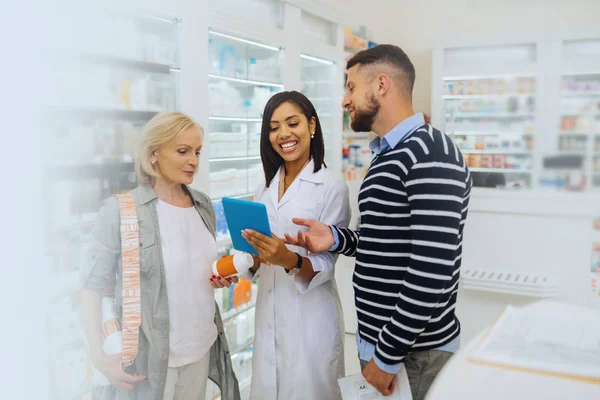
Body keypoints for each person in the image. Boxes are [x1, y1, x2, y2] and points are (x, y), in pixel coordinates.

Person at [285, 45, 472, 400]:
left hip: (412, 354)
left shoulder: (431, 153)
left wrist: (386, 356)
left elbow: (431, 270)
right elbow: (386, 241)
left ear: (382, 84)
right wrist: (336, 239)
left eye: (351, 87)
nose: (345, 100)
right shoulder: (388, 154)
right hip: (383, 343)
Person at [80, 111, 240, 400]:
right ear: (154, 154)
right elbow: (92, 287)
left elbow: (195, 271)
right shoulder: (120, 211)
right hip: (150, 361)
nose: (194, 160)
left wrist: (218, 277)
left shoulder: (202, 204)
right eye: (183, 151)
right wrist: (99, 357)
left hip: (201, 347)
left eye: (197, 151)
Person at [238, 91, 351, 400]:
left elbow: (327, 265)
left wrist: (289, 258)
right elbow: (256, 254)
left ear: (311, 125)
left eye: (292, 123)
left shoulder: (331, 186)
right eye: (274, 127)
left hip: (311, 320)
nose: (283, 134)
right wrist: (242, 263)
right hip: (269, 313)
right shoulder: (264, 185)